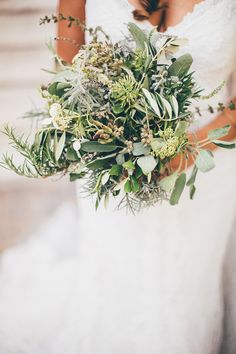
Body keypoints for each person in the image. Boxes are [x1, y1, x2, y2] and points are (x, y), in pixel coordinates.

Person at [0, 1, 236, 353]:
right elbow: (68, 67)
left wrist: (180, 155)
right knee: (116, 277)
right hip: (113, 163)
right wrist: (101, 135)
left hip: (206, 168)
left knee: (185, 287)